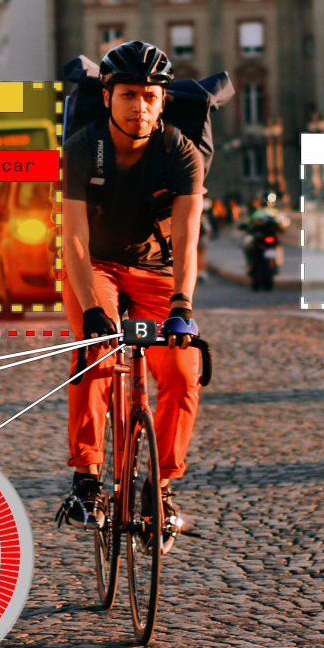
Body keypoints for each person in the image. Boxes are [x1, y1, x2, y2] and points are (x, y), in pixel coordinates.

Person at [59, 40, 205, 541]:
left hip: (155, 273)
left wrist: (183, 306)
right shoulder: (83, 148)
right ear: (107, 98)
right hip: (93, 266)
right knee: (95, 354)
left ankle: (160, 487)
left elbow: (187, 239)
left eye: (149, 96)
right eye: (127, 95)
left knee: (185, 374)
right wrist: (94, 309)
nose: (139, 106)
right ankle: (86, 478)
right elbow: (73, 236)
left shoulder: (179, 153)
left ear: (162, 101)